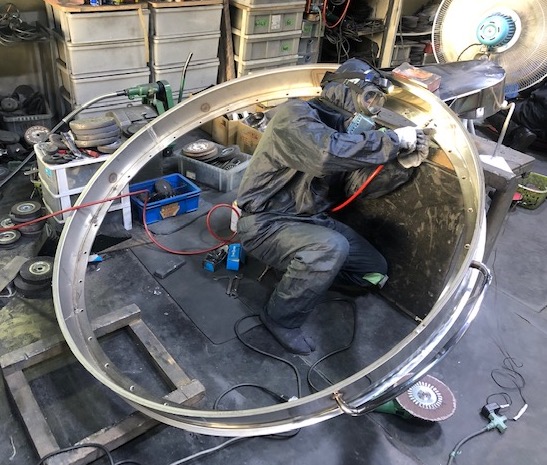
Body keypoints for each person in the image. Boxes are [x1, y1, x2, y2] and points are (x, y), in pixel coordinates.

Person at [235, 58, 433, 355]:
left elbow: (358, 188)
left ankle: (299, 275)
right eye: (369, 97)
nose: (372, 108)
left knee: (372, 271)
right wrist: (391, 140)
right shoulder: (294, 115)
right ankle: (280, 318)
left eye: (377, 102)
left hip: (312, 220)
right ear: (341, 90)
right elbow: (324, 155)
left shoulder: (349, 139)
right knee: (330, 247)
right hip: (266, 222)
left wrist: (400, 165)